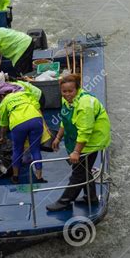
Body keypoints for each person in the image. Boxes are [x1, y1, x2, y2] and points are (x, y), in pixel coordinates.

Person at [46, 74, 111, 212]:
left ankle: (64, 202)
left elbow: (85, 131)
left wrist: (76, 151)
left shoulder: (84, 105)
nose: (67, 94)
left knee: (78, 173)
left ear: (77, 89)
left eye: (70, 91)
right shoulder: (67, 101)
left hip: (91, 142)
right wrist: (58, 137)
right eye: (64, 91)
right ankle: (91, 197)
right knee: (85, 170)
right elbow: (65, 119)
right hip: (76, 138)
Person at [0, 82, 45, 184]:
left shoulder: (4, 102)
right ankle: (39, 176)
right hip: (36, 120)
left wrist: (2, 137)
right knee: (35, 149)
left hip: (18, 124)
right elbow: (37, 107)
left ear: (2, 95)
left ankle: (15, 177)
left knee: (17, 150)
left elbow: (3, 123)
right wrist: (44, 125)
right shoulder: (25, 94)